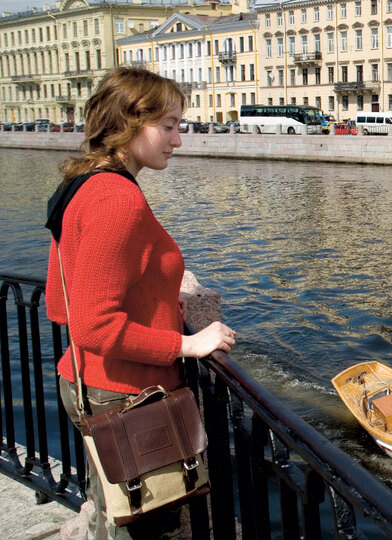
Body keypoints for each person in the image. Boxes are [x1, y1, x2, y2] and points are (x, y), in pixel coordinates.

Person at [44, 67, 237, 539]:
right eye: (168, 126)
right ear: (129, 123)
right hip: (127, 394)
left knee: (115, 517)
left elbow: (57, 302)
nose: (179, 139)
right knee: (148, 528)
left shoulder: (86, 183)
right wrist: (186, 345)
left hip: (92, 383)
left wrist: (155, 300)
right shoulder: (116, 199)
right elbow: (94, 326)